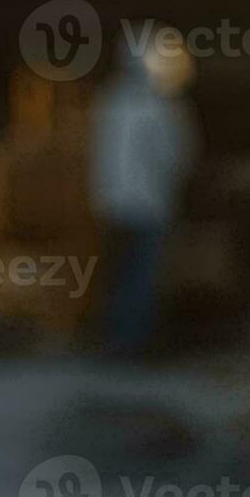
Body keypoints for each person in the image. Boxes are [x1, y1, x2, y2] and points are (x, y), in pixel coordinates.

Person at [89, 24, 201, 357]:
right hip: (150, 203)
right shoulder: (161, 106)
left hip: (111, 202)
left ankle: (114, 336)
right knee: (143, 274)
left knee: (118, 271)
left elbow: (98, 153)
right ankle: (132, 342)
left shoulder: (112, 100)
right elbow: (175, 156)